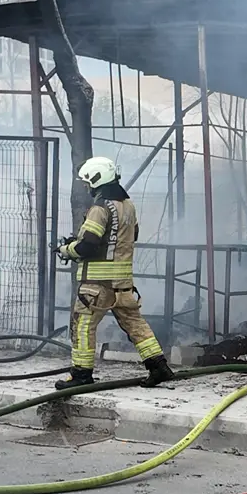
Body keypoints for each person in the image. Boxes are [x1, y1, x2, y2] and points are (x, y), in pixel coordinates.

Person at [54, 157, 174, 390]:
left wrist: (67, 250)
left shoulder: (100, 208)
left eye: (87, 183)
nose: (87, 187)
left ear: (96, 180)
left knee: (82, 325)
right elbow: (129, 236)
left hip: (97, 286)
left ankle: (81, 375)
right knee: (136, 325)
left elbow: (88, 245)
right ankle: (159, 367)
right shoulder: (128, 206)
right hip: (123, 284)